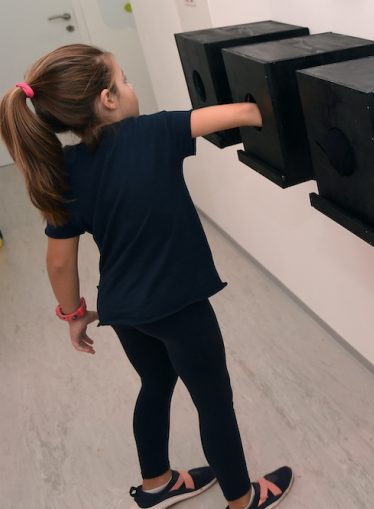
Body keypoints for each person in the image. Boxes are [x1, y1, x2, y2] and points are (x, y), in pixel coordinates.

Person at [0, 44, 293, 509]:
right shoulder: (156, 131)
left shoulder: (65, 170)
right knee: (214, 402)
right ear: (108, 99)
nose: (130, 86)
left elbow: (58, 262)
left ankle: (157, 483)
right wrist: (279, 105)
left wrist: (74, 315)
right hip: (179, 307)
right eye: (124, 79)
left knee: (156, 385)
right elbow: (244, 113)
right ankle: (242, 499)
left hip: (124, 310)